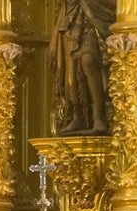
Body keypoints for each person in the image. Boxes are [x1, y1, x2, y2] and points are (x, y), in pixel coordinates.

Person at [50, 0, 116, 134]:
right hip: (73, 12)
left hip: (97, 13)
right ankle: (77, 114)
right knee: (72, 68)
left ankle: (99, 116)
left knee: (88, 60)